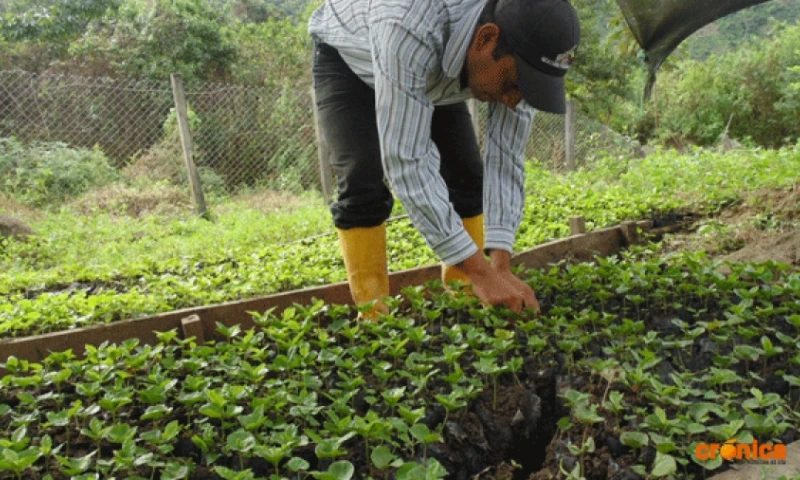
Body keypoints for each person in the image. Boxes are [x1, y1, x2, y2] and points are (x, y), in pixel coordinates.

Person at [309, 0, 580, 318]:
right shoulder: (408, 21)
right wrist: (484, 274)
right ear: (485, 40)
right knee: (362, 180)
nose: (512, 100)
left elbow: (506, 157)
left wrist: (500, 267)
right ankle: (375, 316)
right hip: (352, 56)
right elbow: (408, 160)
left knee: (467, 174)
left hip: (435, 63)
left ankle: (465, 292)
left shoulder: (519, 53)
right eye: (512, 84)